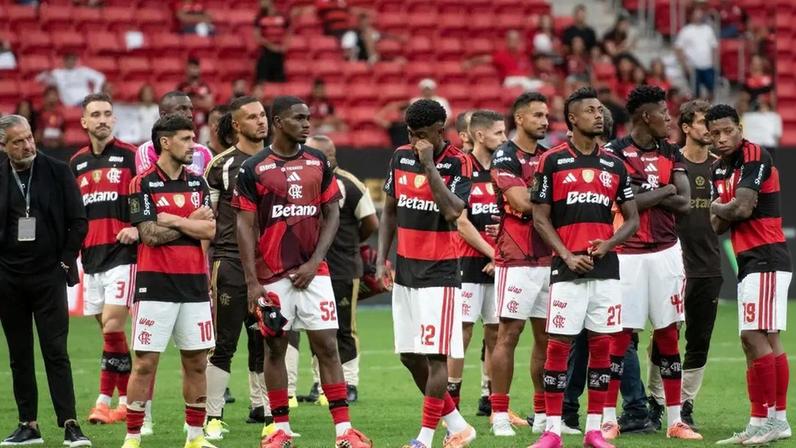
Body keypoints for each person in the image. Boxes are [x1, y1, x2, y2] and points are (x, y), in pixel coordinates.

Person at [234, 96, 372, 448]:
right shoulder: (253, 168)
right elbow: (244, 225)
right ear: (278, 122)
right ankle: (280, 428)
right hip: (271, 274)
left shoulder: (318, 161)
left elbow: (333, 213)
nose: (307, 123)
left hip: (315, 273)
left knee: (327, 345)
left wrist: (314, 263)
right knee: (275, 348)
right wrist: (251, 281)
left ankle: (344, 431)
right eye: (299, 118)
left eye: (308, 117)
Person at [529, 86, 639, 448]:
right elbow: (540, 218)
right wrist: (565, 254)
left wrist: (608, 244)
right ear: (572, 118)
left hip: (606, 271)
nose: (599, 115)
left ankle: (594, 430)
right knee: (558, 347)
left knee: (602, 347)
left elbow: (632, 220)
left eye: (600, 110)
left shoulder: (615, 164)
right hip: (567, 270)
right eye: (590, 110)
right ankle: (553, 430)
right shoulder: (552, 161)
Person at [376, 99, 476, 448]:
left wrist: (430, 164)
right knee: (408, 355)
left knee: (436, 358)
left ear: (439, 130)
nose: (414, 140)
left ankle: (425, 438)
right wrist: (381, 259)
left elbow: (452, 211)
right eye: (410, 133)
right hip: (405, 270)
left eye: (421, 134)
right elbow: (390, 210)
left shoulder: (459, 162)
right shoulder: (400, 156)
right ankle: (459, 426)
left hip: (439, 273)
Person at [602, 85, 699, 440]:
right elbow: (622, 203)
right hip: (626, 254)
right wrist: (664, 190)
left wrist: (644, 193)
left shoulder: (670, 151)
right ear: (646, 116)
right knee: (619, 337)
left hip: (666, 253)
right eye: (664, 113)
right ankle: (608, 419)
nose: (669, 119)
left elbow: (685, 202)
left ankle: (675, 420)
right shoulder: (614, 153)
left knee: (668, 334)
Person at [122, 114, 217, 448]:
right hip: (155, 286)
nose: (193, 145)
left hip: (194, 286)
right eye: (186, 139)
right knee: (145, 364)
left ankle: (195, 437)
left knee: (196, 363)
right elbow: (149, 235)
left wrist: (175, 220)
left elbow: (210, 229)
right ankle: (133, 437)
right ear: (165, 142)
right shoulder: (142, 183)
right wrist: (190, 222)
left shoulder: (198, 183)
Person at [0, 115, 91, 447]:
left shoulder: (57, 171)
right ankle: (28, 424)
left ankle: (70, 424)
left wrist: (65, 261)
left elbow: (78, 221)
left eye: (29, 137)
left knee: (56, 351)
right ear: (3, 146)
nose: (28, 145)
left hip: (48, 275)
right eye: (18, 141)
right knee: (19, 354)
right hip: (8, 279)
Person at [708, 104, 792, 445]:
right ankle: (762, 421)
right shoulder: (717, 169)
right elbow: (717, 227)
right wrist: (723, 209)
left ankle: (774, 420)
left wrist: (717, 206)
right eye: (715, 133)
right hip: (748, 259)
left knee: (755, 337)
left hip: (767, 255)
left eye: (728, 131)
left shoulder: (755, 155)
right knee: (756, 340)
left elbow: (740, 208)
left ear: (739, 129)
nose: (722, 138)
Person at [650, 100, 721, 430]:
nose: (710, 129)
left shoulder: (720, 168)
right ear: (687, 127)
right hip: (671, 263)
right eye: (704, 122)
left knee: (699, 338)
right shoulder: (670, 164)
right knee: (664, 335)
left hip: (708, 264)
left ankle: (687, 403)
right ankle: (656, 401)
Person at [203, 96, 270, 440]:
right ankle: (213, 416)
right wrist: (204, 268)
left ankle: (266, 411)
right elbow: (208, 221)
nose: (261, 121)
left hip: (270, 265)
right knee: (224, 342)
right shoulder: (221, 166)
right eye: (252, 117)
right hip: (229, 261)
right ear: (236, 125)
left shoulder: (279, 160)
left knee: (267, 340)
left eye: (263, 115)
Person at [69, 93, 139, 426]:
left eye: (107, 113)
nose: (102, 119)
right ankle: (125, 402)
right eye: (95, 114)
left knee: (112, 326)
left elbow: (147, 196)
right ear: (84, 121)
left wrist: (137, 228)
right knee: (112, 336)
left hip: (123, 255)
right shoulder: (76, 163)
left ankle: (101, 402)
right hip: (92, 258)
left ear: (114, 119)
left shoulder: (131, 156)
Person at [488, 93, 552, 436]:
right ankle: (499, 414)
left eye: (546, 115)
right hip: (516, 256)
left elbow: (534, 200)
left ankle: (542, 414)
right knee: (509, 334)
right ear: (519, 118)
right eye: (537, 115)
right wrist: (552, 200)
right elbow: (521, 202)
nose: (544, 121)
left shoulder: (549, 156)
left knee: (547, 337)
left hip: (549, 255)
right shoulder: (505, 155)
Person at [302, 134, 378, 403]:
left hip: (344, 268)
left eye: (311, 153)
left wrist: (351, 243)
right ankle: (319, 383)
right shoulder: (303, 181)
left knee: (345, 327)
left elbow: (371, 223)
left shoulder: (350, 184)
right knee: (316, 327)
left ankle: (350, 382)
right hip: (312, 269)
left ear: (328, 156)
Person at [446, 110, 504, 415]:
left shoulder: (504, 169)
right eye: (499, 133)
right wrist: (494, 254)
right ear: (478, 135)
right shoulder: (462, 167)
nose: (505, 139)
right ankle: (452, 404)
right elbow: (461, 222)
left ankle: (492, 402)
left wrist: (502, 253)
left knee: (496, 333)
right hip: (468, 262)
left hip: (501, 262)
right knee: (463, 332)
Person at [135, 91, 213, 177]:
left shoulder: (203, 152)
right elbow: (149, 183)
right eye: (182, 109)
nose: (190, 115)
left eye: (191, 109)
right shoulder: (147, 151)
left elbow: (207, 185)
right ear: (164, 115)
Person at [463, 30, 537, 91]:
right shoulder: (502, 55)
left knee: (537, 85)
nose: (513, 42)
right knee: (526, 86)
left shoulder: (523, 56)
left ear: (519, 41)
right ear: (507, 41)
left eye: (515, 40)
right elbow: (485, 59)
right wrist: (470, 63)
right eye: (511, 40)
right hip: (510, 80)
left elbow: (529, 73)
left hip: (524, 80)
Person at [674, 6, 718, 99]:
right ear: (691, 16)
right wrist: (685, 65)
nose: (698, 16)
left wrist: (714, 63)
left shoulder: (708, 29)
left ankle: (707, 105)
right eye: (696, 14)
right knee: (695, 92)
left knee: (712, 90)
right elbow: (678, 48)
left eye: (700, 14)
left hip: (707, 65)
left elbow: (714, 47)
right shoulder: (686, 30)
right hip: (693, 67)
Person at [36, 53, 105, 107]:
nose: (71, 62)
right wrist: (46, 73)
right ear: (64, 61)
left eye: (73, 59)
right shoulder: (57, 73)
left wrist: (96, 91)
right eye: (68, 60)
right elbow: (39, 80)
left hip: (87, 101)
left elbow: (100, 77)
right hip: (72, 103)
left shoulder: (83, 70)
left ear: (76, 61)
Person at [254, 0, 288, 84]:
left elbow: (288, 32)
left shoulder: (282, 18)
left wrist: (285, 46)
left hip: (279, 55)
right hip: (266, 53)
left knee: (279, 82)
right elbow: (258, 37)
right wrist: (271, 46)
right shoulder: (260, 18)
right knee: (263, 81)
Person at [35, 86, 66, 151]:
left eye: (54, 95)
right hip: (42, 146)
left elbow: (63, 133)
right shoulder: (39, 113)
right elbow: (37, 134)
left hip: (58, 147)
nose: (52, 97)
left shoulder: (61, 114)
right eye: (50, 95)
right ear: (45, 97)